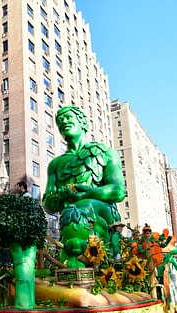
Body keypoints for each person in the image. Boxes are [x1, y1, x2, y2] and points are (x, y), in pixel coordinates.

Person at [43, 105, 126, 268]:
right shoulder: (55, 164)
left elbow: (119, 191)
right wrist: (61, 196)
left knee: (83, 205)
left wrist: (89, 192)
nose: (63, 122)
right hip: (70, 220)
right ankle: (74, 265)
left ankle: (100, 259)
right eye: (60, 121)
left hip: (104, 214)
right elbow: (48, 204)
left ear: (83, 124)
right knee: (74, 211)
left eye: (68, 118)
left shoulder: (105, 152)